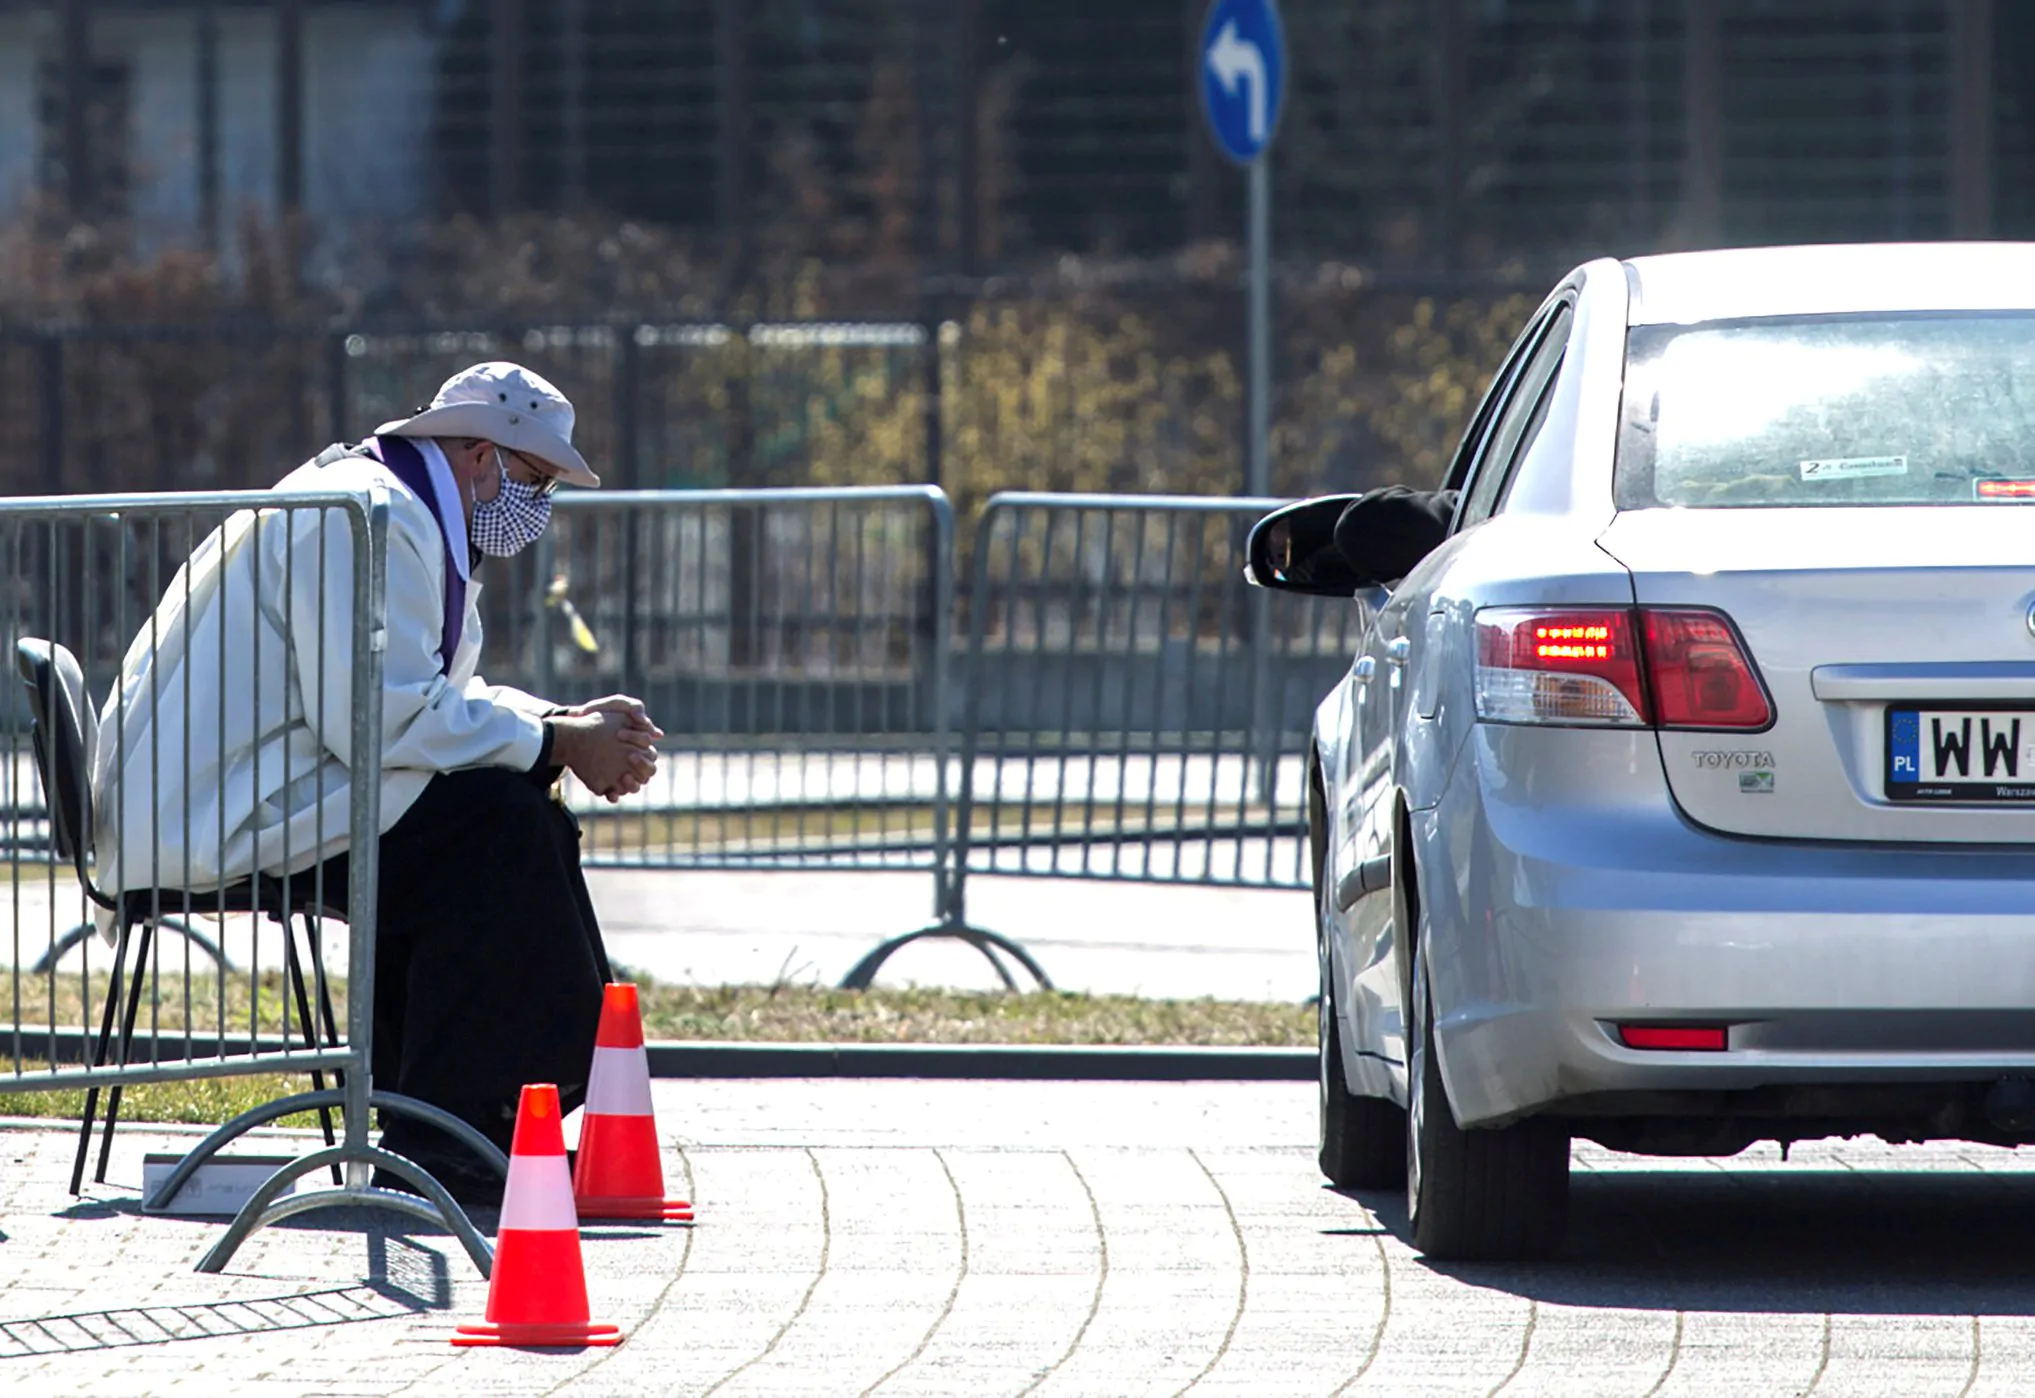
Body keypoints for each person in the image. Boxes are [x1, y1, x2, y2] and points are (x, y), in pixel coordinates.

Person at [92, 361, 661, 1199]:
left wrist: (561, 725)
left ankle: (458, 1116)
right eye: (532, 481)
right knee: (494, 829)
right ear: (478, 456)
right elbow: (376, 719)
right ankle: (452, 1126)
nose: (536, 507)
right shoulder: (373, 515)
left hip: (241, 791)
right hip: (213, 811)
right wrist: (555, 741)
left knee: (495, 814)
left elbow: (420, 701)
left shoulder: (394, 505)